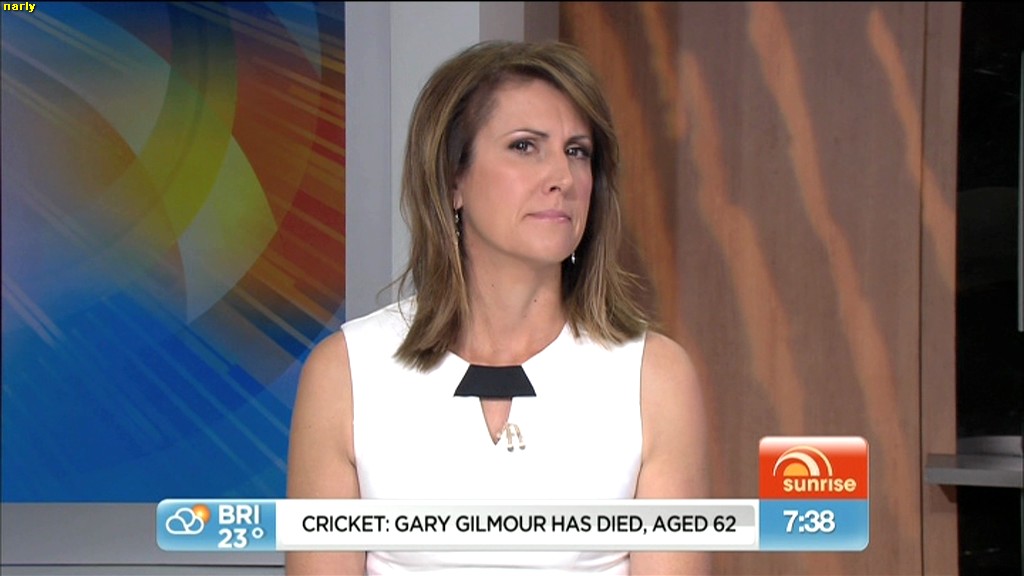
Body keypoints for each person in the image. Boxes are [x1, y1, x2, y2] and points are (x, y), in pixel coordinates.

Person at [286, 40, 709, 575]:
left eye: (578, 151)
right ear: (453, 180)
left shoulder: (655, 377)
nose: (562, 177)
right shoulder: (345, 374)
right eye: (525, 146)